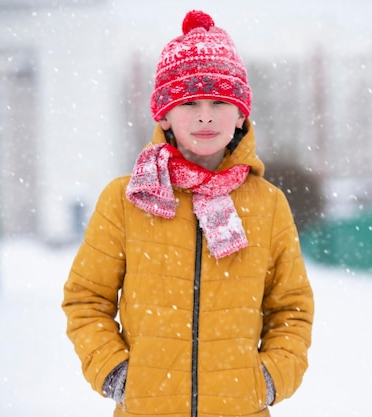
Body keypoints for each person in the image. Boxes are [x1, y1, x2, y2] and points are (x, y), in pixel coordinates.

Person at [62, 9, 314, 417]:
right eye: (189, 101)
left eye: (219, 101)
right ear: (163, 114)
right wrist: (116, 373)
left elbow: (292, 308)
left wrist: (268, 380)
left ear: (241, 115)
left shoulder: (267, 205)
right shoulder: (125, 199)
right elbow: (86, 299)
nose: (205, 115)